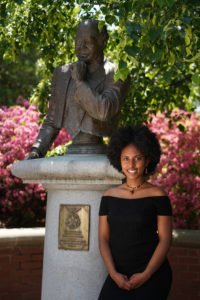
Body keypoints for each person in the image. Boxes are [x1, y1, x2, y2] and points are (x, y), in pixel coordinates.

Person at [27, 19, 130, 158]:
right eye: (78, 41)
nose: (81, 46)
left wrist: (80, 82)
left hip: (97, 152)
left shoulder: (117, 73)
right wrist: (37, 150)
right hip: (71, 155)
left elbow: (104, 111)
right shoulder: (62, 74)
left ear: (103, 42)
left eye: (88, 41)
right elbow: (52, 120)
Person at [98, 125, 172, 299]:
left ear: (147, 160)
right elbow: (103, 239)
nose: (131, 165)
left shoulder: (158, 196)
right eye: (126, 158)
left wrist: (146, 274)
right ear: (119, 160)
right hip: (118, 277)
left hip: (153, 275)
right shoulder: (108, 196)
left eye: (137, 158)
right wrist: (113, 274)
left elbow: (165, 239)